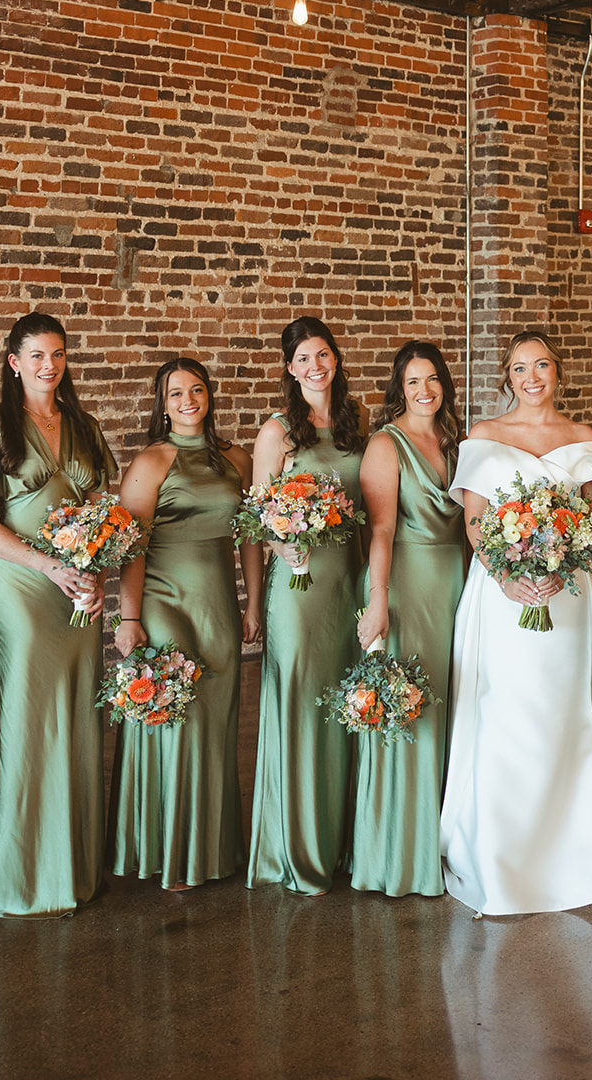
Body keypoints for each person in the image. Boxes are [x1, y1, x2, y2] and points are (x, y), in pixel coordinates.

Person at [440, 329, 592, 915]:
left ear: (557, 372)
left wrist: (569, 553)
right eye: (520, 368)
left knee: (563, 711)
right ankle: (503, 854)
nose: (532, 377)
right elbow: (475, 521)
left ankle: (575, 849)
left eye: (542, 365)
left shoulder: (582, 437)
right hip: (501, 594)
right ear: (507, 378)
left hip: (567, 593)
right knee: (506, 710)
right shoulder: (484, 435)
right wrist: (506, 574)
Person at [0, 312, 117, 920]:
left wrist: (95, 573)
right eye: (38, 356)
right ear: (14, 362)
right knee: (26, 720)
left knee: (77, 716)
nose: (50, 365)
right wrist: (49, 567)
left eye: (59, 354)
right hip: (25, 593)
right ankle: (19, 876)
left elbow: (103, 509)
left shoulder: (82, 425)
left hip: (78, 592)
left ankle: (70, 868)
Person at [107, 358, 257, 891]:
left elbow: (250, 537)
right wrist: (128, 618)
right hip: (163, 602)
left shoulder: (236, 459)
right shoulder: (153, 461)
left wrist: (253, 603)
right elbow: (131, 546)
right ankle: (170, 853)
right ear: (162, 404)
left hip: (216, 603)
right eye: (176, 394)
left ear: (209, 395)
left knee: (215, 725)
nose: (189, 400)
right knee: (176, 717)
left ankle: (209, 848)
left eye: (196, 390)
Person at [247, 317, 367, 894]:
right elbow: (256, 520)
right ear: (290, 369)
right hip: (297, 587)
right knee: (300, 700)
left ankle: (340, 840)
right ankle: (295, 848)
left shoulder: (355, 423)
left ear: (334, 360)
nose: (314, 366)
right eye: (302, 359)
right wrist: (285, 543)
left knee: (343, 702)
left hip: (346, 580)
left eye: (323, 354)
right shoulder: (276, 433)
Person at [351, 342, 466, 896]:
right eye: (413, 382)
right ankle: (397, 854)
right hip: (404, 584)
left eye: (432, 380)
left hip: (454, 584)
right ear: (399, 388)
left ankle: (445, 845)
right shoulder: (385, 443)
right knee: (409, 709)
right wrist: (378, 600)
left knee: (449, 710)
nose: (424, 391)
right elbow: (380, 530)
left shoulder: (453, 441)